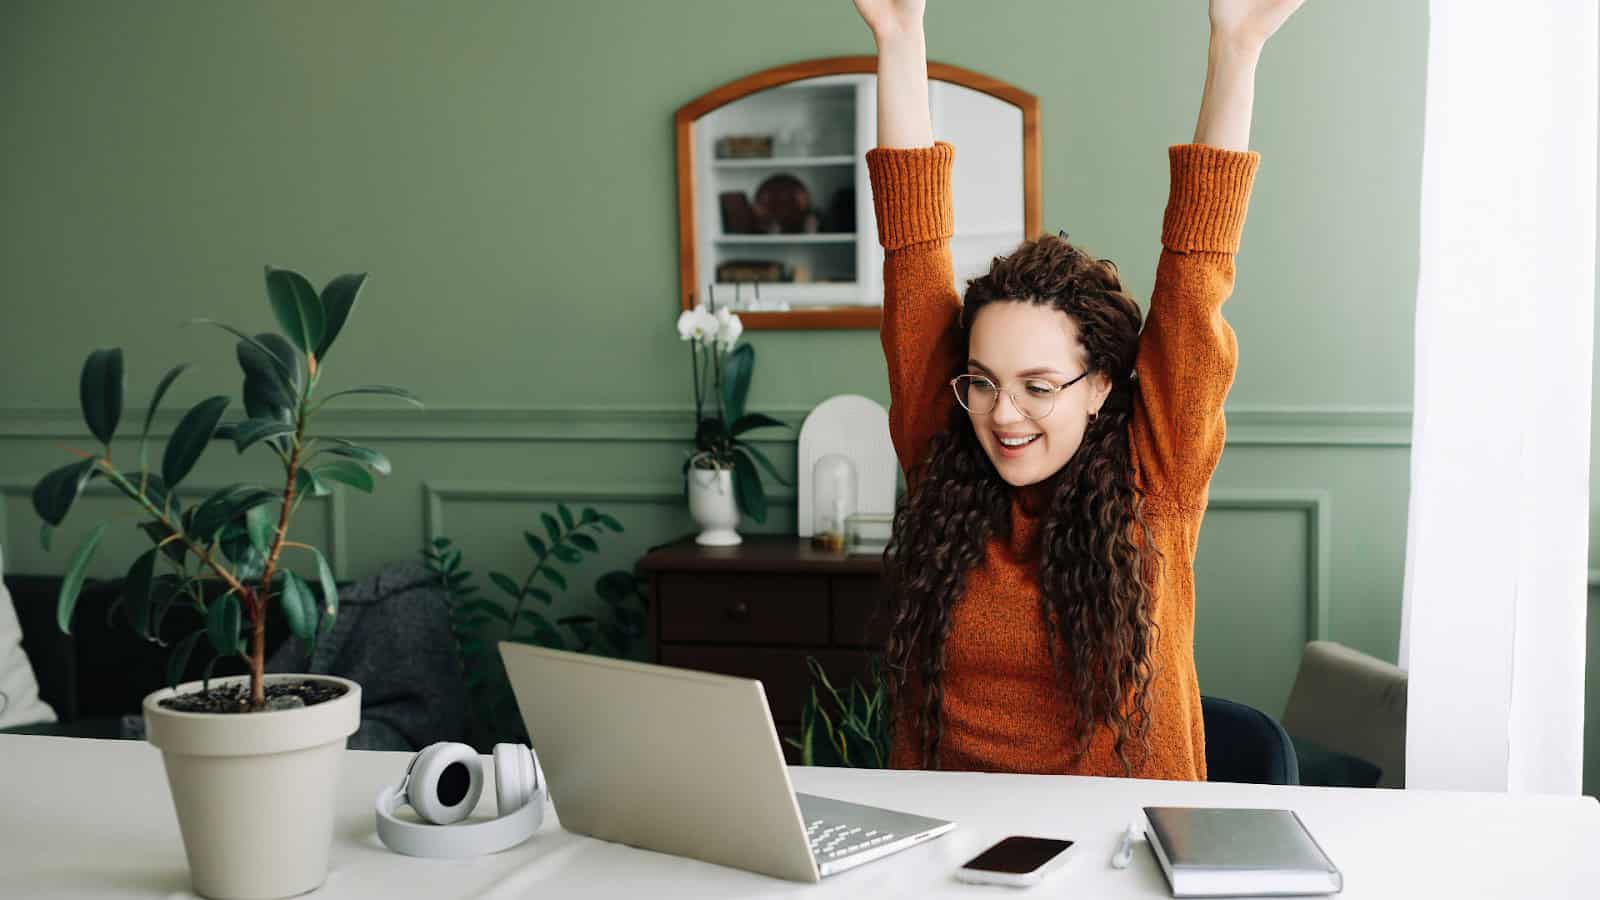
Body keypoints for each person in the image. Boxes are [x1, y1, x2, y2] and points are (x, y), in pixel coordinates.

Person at [855, 0, 1307, 778]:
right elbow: (913, 250)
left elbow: (1196, 273)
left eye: (1038, 386)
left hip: (1124, 862)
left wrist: (1237, 48)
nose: (1004, 414)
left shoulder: (1154, 480)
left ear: (1100, 384)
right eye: (984, 383)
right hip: (949, 865)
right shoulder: (945, 458)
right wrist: (900, 37)